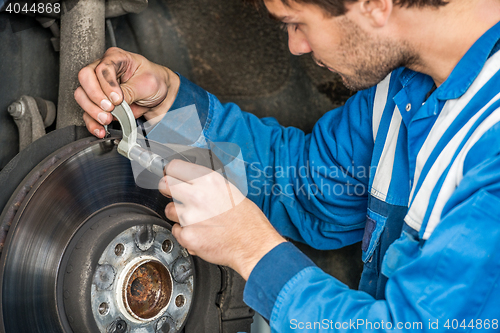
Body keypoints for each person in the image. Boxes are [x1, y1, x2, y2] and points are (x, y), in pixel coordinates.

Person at [75, 0, 500, 331]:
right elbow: (302, 187)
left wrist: (252, 251)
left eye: (297, 22)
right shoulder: (403, 89)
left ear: (375, 5)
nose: (296, 45)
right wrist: (168, 104)